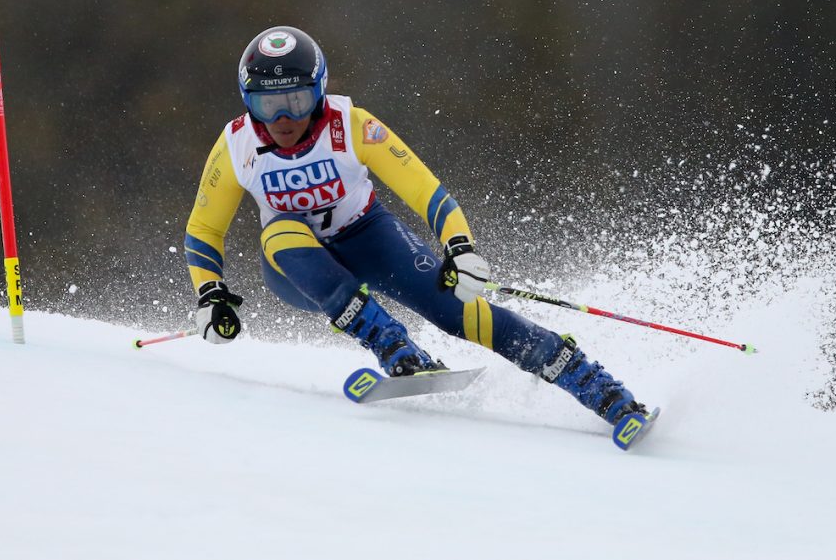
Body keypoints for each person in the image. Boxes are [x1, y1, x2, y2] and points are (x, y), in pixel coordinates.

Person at [185, 25, 647, 426]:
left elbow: (428, 193)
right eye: (269, 105)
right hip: (295, 268)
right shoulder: (236, 146)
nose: (284, 118)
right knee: (281, 229)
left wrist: (459, 248)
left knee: (463, 312)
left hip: (368, 238)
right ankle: (390, 345)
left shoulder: (353, 126)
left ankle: (600, 390)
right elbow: (204, 229)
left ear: (319, 92)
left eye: (297, 100)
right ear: (249, 101)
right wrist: (211, 293)